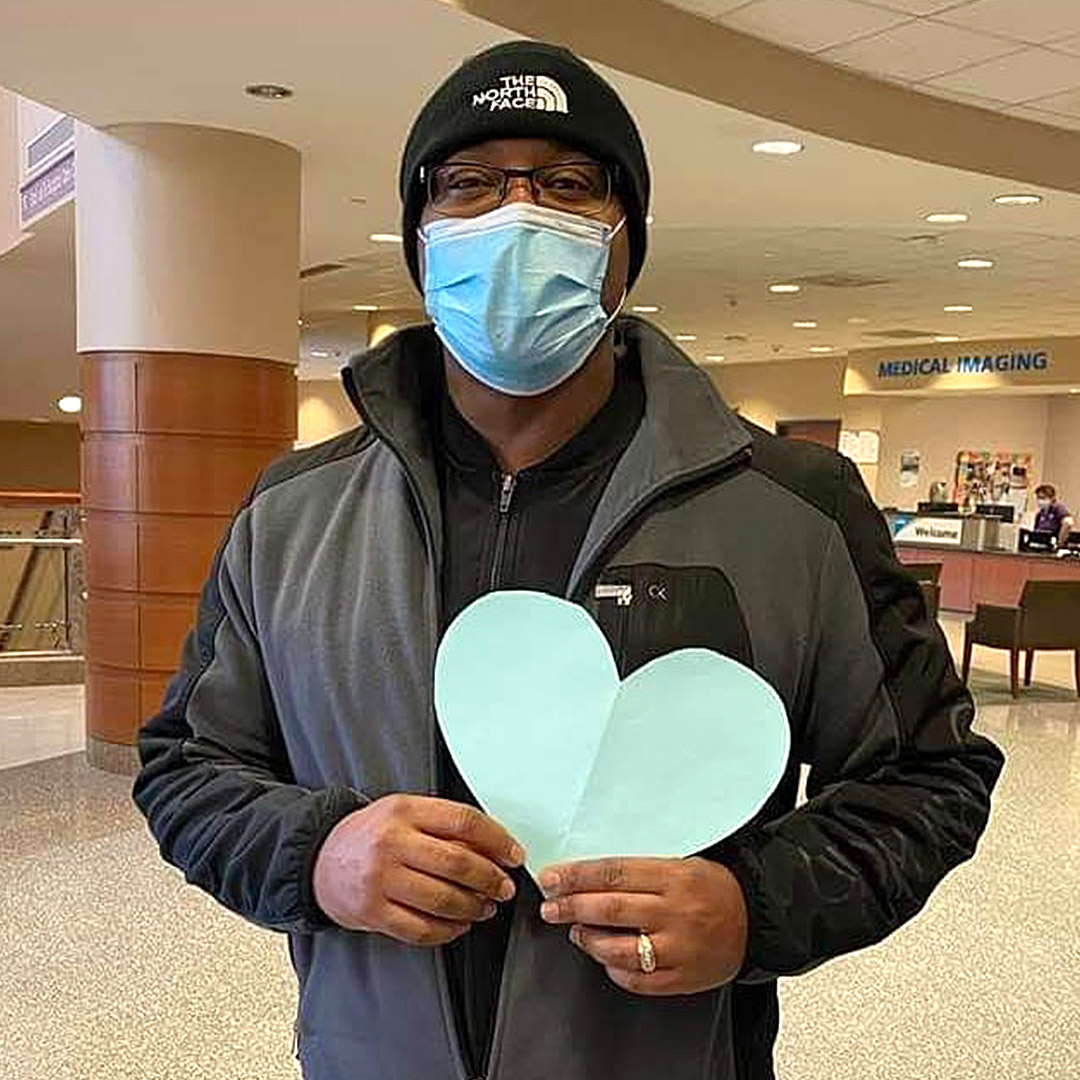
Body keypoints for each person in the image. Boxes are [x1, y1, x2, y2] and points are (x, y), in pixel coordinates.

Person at [133, 41, 1004, 1080]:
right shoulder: (292, 515)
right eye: (468, 184)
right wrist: (315, 854)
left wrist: (753, 904)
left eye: (567, 184)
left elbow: (931, 776)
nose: (515, 215)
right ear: (419, 238)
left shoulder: (795, 511)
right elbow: (186, 766)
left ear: (624, 242)